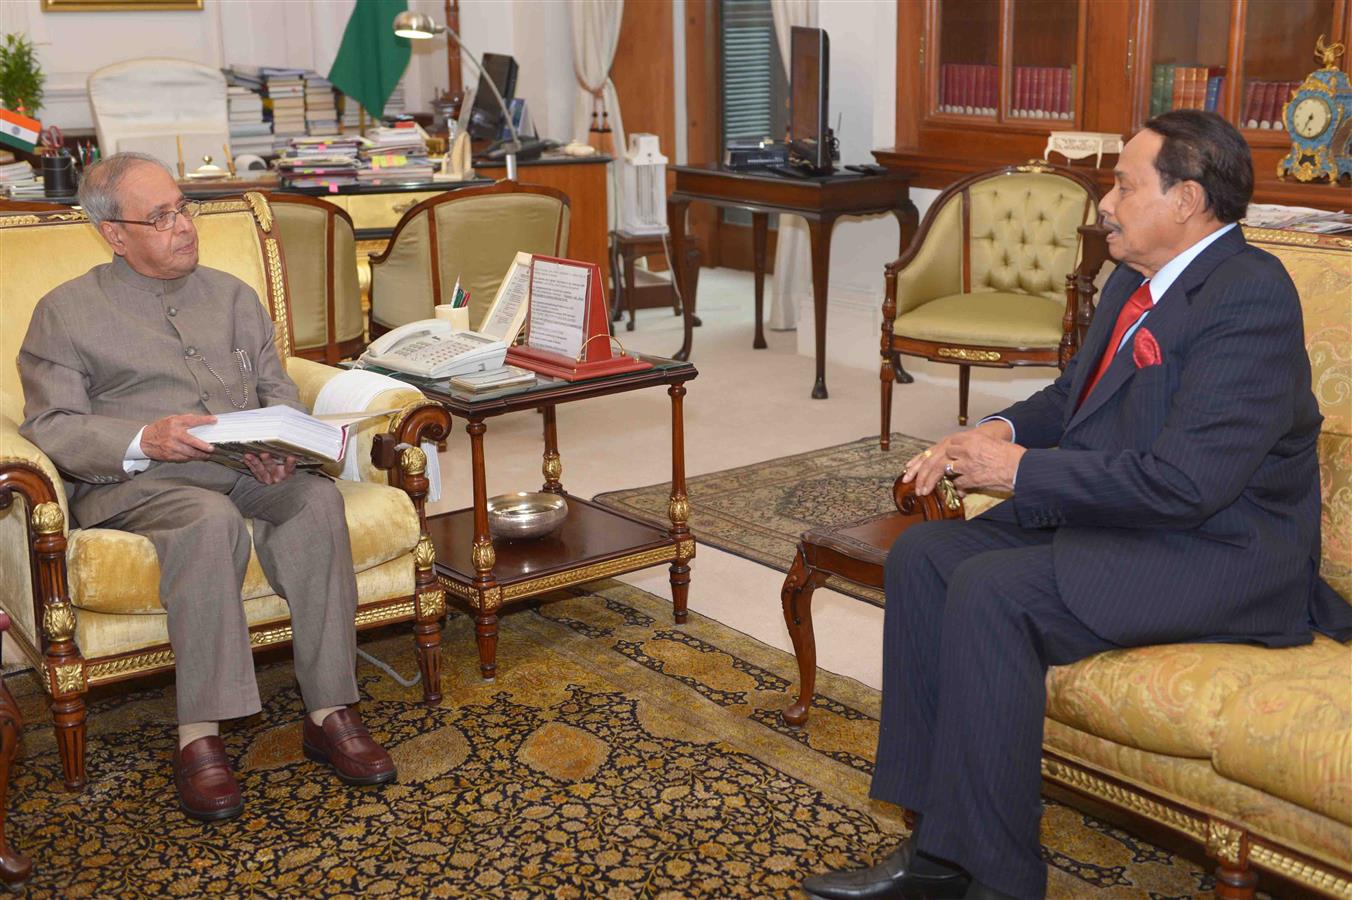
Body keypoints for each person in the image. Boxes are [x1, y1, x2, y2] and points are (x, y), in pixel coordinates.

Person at [803, 110, 1352, 899]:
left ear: (1187, 200)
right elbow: (1074, 396)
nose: (1104, 201)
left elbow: (1188, 484)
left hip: (1223, 550)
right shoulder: (1132, 276)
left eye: (1125, 185)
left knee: (994, 592)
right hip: (1138, 522)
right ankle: (937, 857)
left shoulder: (1249, 298)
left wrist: (1021, 472)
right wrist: (993, 428)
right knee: (923, 558)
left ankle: (1000, 881)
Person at [18, 152, 397, 823]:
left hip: (239, 468)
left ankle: (329, 708)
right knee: (205, 521)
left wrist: (285, 451)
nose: (183, 226)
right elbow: (50, 425)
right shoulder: (65, 312)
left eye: (183, 207)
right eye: (159, 218)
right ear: (115, 234)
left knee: (314, 501)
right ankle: (200, 735)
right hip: (138, 482)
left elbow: (278, 391)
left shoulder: (231, 296)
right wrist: (144, 440)